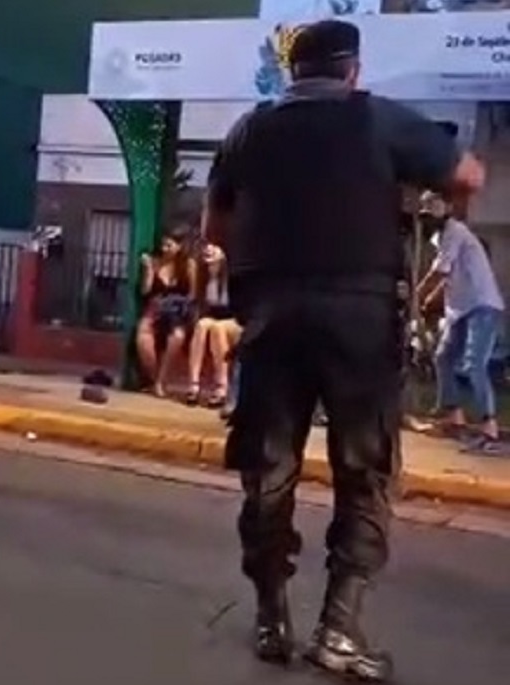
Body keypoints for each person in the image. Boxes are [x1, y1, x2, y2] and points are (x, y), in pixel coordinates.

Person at [203, 19, 486, 680]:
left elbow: (216, 225)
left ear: (292, 71)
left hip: (272, 316)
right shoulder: (378, 119)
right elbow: (468, 175)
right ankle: (338, 627)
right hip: (359, 321)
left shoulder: (251, 129)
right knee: (364, 471)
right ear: (352, 69)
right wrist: (409, 194)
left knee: (269, 469)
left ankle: (271, 617)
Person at [416, 191, 505, 453]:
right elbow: (447, 275)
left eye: (433, 210)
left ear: (446, 210)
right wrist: (429, 298)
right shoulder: (441, 237)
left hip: (481, 305)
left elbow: (440, 271)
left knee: (474, 364)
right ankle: (454, 415)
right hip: (460, 309)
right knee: (444, 357)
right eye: (426, 212)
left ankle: (489, 428)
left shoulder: (455, 231)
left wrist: (416, 295)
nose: (429, 217)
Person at [134, 229, 198, 397]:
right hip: (156, 307)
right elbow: (145, 291)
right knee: (143, 336)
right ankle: (154, 377)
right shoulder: (155, 262)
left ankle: (161, 381)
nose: (165, 249)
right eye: (163, 245)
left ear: (179, 246)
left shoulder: (188, 264)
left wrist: (182, 308)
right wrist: (149, 270)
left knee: (177, 337)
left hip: (177, 310)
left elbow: (193, 294)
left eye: (169, 245)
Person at [186, 243, 240, 407]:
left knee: (218, 328)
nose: (208, 249)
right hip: (215, 316)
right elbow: (199, 304)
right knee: (201, 326)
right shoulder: (203, 275)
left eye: (214, 246)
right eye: (206, 246)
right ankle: (193, 384)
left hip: (236, 318)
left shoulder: (232, 276)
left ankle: (221, 386)